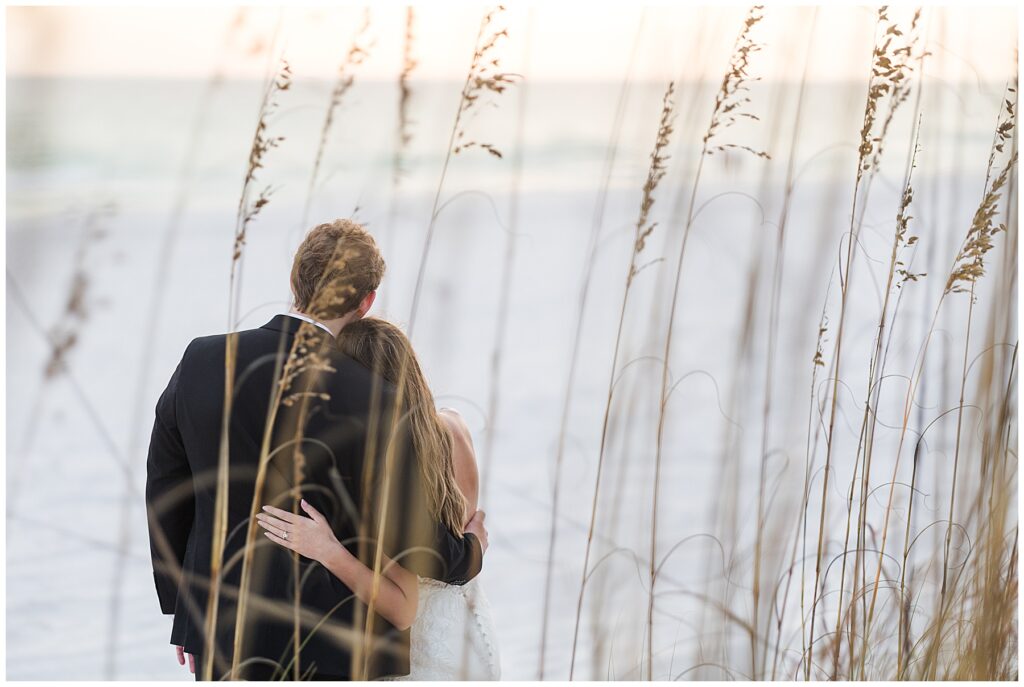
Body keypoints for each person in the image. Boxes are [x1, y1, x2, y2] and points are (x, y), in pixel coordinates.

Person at [145, 219, 488, 680]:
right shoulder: (377, 400)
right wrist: (469, 552)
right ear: (367, 302)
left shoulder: (202, 360)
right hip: (335, 645)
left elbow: (167, 487)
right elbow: (413, 534)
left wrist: (185, 612)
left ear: (294, 282)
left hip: (220, 631)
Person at [257, 317, 500, 680]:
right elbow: (461, 536)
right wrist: (473, 550)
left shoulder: (389, 467)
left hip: (424, 649)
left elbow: (402, 607)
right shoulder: (454, 425)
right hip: (470, 631)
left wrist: (327, 549)